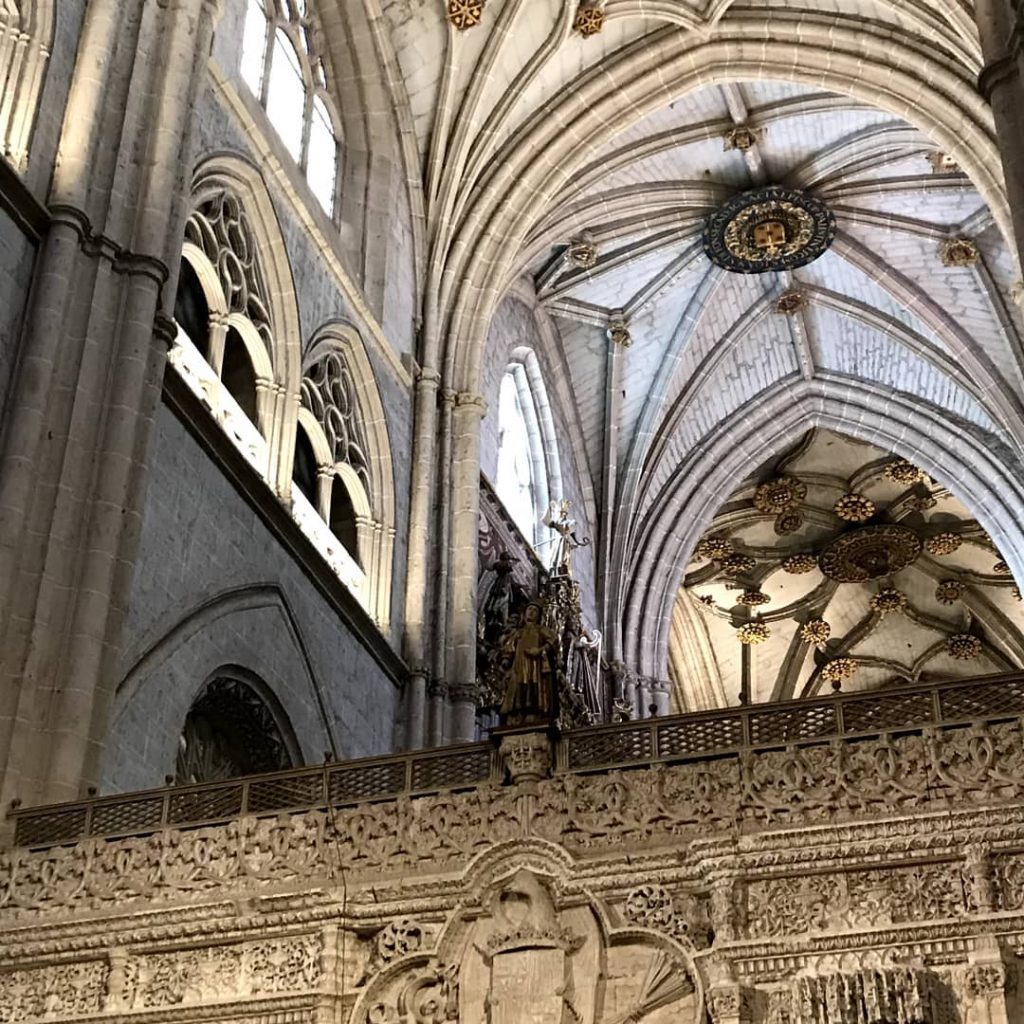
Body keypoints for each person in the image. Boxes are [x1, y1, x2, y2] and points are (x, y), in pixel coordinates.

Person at [500, 602, 557, 724]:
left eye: (535, 610)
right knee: (517, 687)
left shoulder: (541, 630)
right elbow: (510, 645)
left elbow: (553, 640)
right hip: (519, 665)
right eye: (529, 609)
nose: (531, 612)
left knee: (533, 685)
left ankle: (533, 712)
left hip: (534, 665)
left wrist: (540, 650)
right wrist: (506, 658)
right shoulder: (518, 632)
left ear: (539, 615)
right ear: (524, 613)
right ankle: (518, 713)